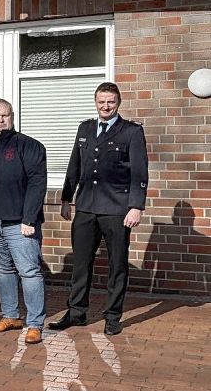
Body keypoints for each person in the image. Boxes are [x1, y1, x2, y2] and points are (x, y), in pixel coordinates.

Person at [52, 82, 149, 336]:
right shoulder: (85, 128)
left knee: (117, 265)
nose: (105, 106)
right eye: (101, 101)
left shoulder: (131, 132)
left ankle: (113, 315)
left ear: (118, 103)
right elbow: (75, 164)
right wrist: (66, 198)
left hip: (117, 209)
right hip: (85, 207)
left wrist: (136, 206)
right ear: (95, 102)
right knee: (81, 263)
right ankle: (76, 312)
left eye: (111, 102)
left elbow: (140, 172)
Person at [0, 100, 47, 345]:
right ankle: (11, 316)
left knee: (29, 271)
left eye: (5, 115)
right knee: (2, 270)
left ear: (12, 116)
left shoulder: (29, 146)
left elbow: (38, 184)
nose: (1, 120)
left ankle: (35, 323)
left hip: (20, 223)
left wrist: (29, 218)